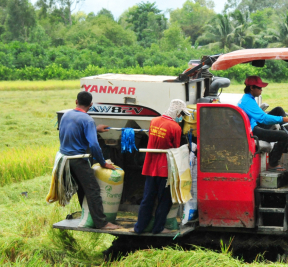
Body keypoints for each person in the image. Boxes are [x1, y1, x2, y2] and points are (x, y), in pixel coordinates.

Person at [59, 91, 120, 230]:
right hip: (78, 160)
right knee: (93, 190)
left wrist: (94, 129)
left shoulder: (66, 115)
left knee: (82, 189)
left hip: (65, 160)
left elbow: (71, 131)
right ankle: (102, 223)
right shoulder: (87, 120)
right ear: (91, 105)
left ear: (76, 101)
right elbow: (93, 145)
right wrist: (103, 162)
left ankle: (86, 217)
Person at [134, 99, 190, 234]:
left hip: (150, 166)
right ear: (177, 112)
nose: (181, 117)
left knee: (147, 198)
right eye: (181, 114)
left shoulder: (154, 121)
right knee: (164, 200)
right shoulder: (175, 127)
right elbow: (175, 148)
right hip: (165, 169)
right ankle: (158, 228)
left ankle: (139, 228)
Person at [238, 75, 288, 170]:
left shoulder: (249, 98)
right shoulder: (247, 101)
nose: (261, 90)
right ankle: (273, 163)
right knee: (284, 136)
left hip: (254, 124)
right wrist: (285, 119)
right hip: (252, 131)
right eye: (259, 87)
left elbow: (260, 116)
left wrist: (283, 118)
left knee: (279, 110)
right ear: (251, 88)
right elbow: (263, 118)